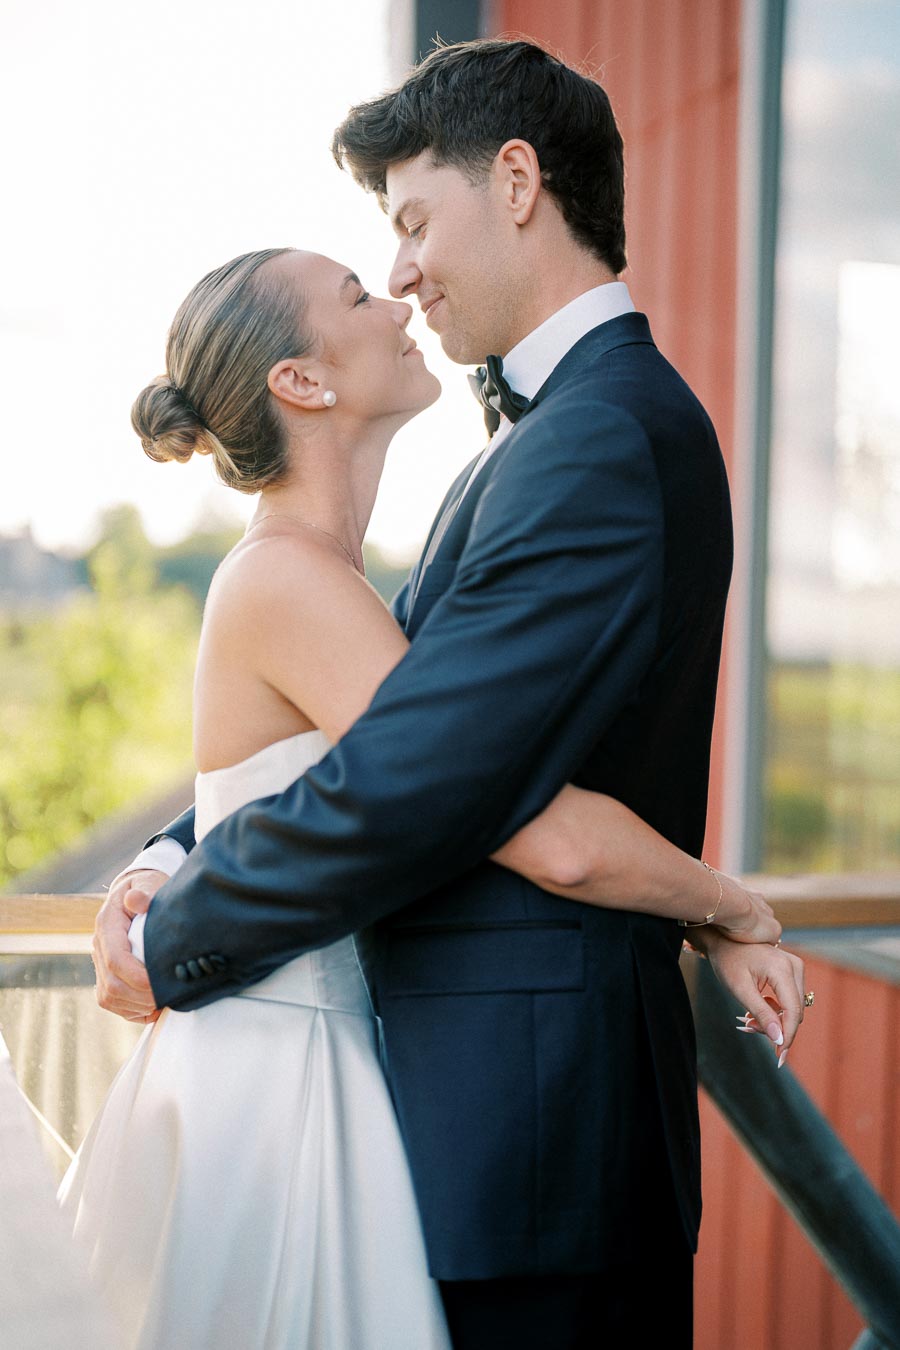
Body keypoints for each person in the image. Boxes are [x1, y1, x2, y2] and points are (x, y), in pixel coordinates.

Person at [91, 40, 807, 1350]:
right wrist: (171, 848)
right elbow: (395, 730)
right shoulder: (536, 446)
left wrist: (175, 933)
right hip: (468, 1129)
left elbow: (421, 777)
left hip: (537, 1136)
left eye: (414, 224)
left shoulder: (594, 437)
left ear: (518, 183)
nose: (405, 274)